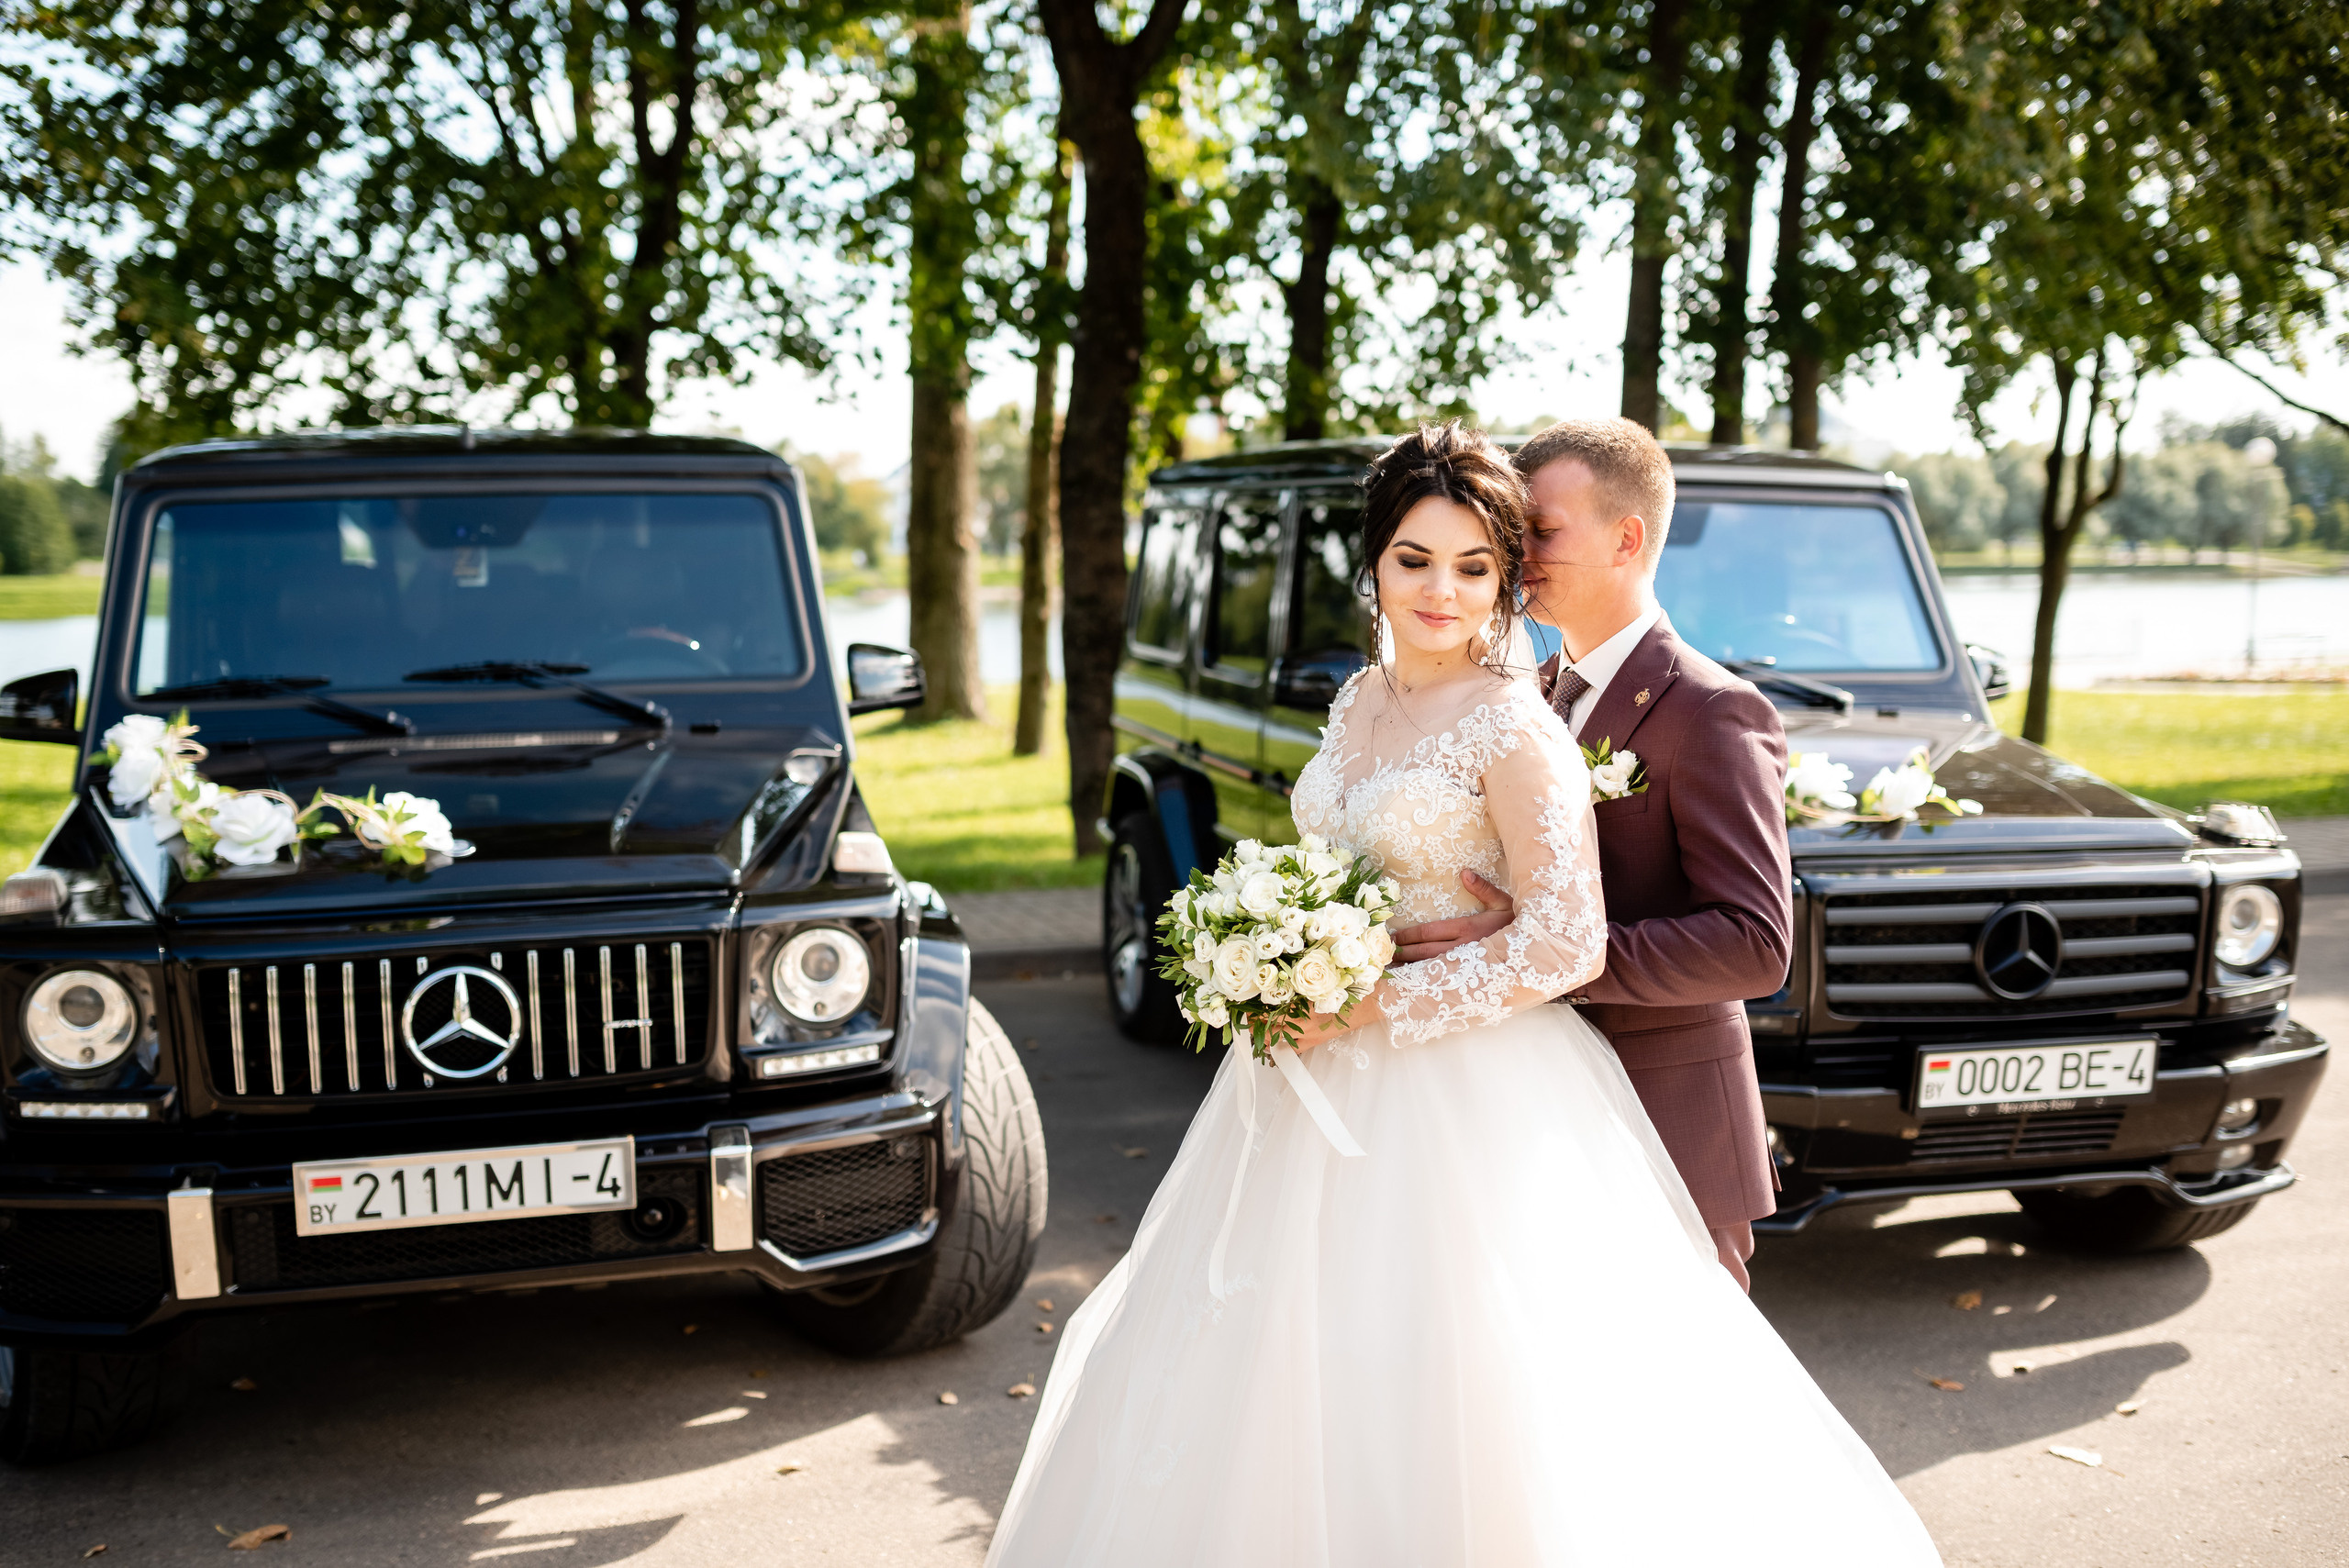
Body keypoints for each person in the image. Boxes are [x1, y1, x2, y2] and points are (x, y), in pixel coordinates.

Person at [985, 423, 1939, 1567]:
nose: (1456, 585)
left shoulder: (1555, 713)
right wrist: (1273, 950)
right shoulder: (1365, 704)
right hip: (1309, 1094)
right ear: (1374, 563)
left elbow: (1604, 935)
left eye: (1485, 559)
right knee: (1295, 1369)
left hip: (1510, 1101)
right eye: (1415, 558)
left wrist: (1377, 991)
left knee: (1554, 1409)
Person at [1388, 416, 1788, 1290]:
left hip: (1662, 1112)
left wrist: (1539, 953)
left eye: (1540, 530)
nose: (1515, 550)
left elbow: (1755, 943)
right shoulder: (1519, 699)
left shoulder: (1713, 711)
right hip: (1521, 1115)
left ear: (1627, 537)